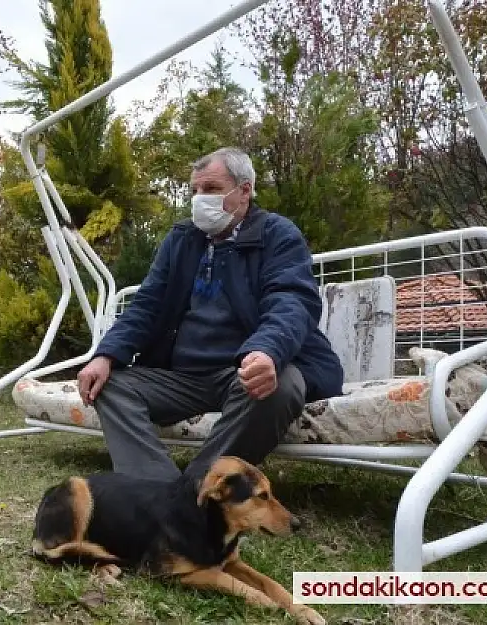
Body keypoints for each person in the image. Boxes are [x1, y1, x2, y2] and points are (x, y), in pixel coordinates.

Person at [76, 147, 344, 483]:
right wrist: (106, 355)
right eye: (196, 191)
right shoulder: (181, 240)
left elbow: (291, 300)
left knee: (281, 384)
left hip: (241, 373)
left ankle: (196, 488)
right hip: (181, 377)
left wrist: (266, 351)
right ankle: (156, 488)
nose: (200, 199)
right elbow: (147, 305)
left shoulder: (278, 235)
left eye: (212, 189)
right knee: (109, 384)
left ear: (244, 191)